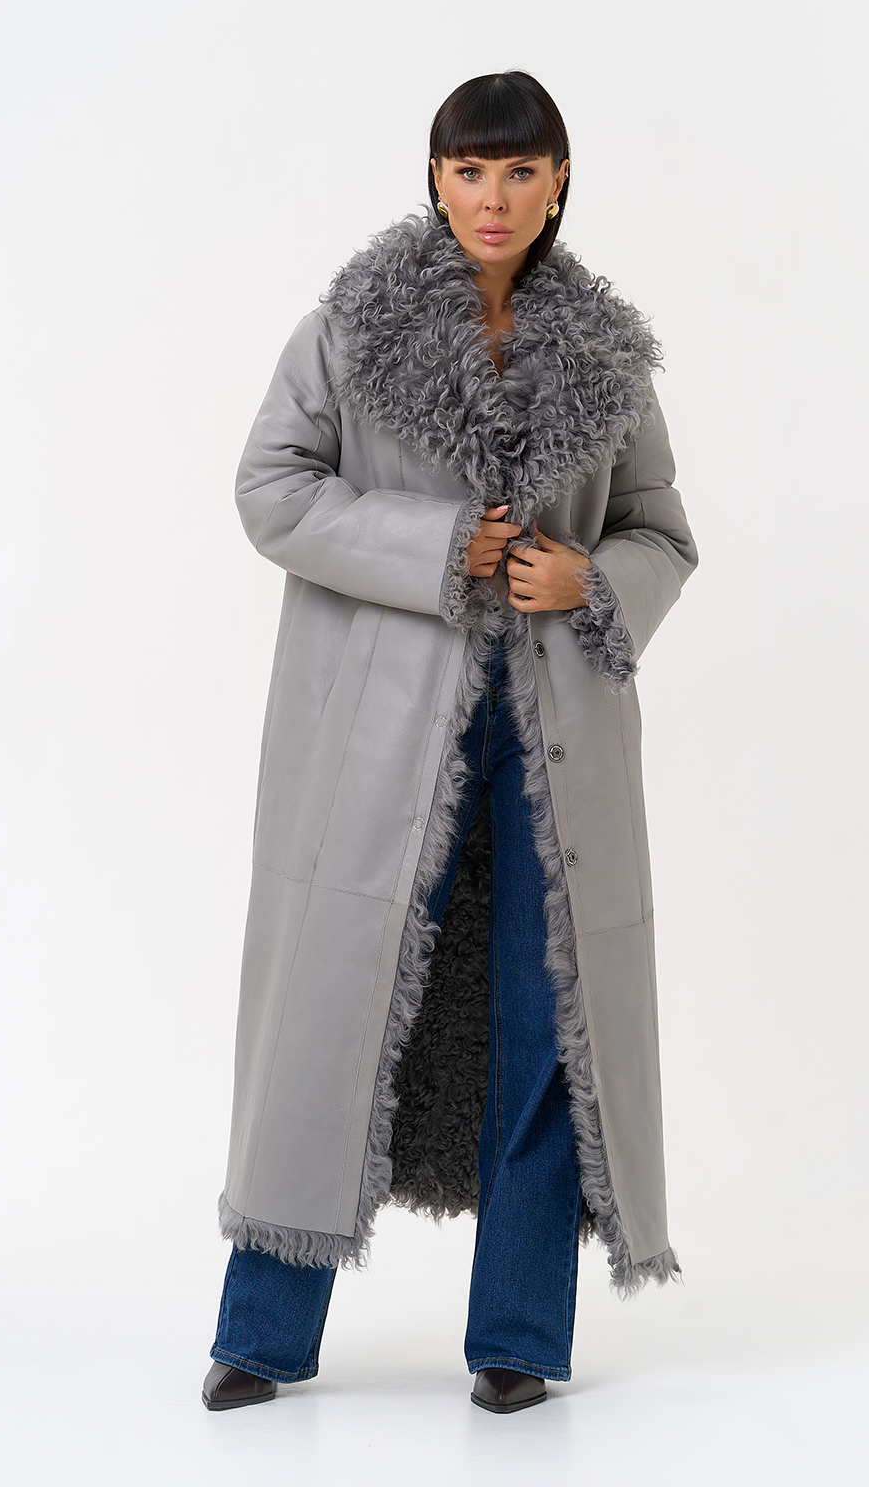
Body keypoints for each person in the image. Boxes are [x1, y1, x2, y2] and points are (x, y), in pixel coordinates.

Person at [202, 69, 698, 1415]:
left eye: (521, 170)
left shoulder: (607, 357)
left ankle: (519, 1338)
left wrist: (590, 580)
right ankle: (263, 1331)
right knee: (328, 1011)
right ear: (435, 179)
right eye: (471, 170)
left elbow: (661, 531)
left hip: (554, 733)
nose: (494, 196)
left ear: (558, 183)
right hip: (375, 735)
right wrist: (435, 544)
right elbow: (269, 489)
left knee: (551, 1020)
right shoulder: (348, 330)